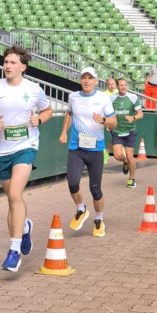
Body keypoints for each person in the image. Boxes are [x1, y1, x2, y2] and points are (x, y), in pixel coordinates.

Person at [0, 45, 52, 272]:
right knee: (12, 199)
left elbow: (47, 110)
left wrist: (40, 119)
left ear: (23, 67)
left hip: (26, 146)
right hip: (2, 150)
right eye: (6, 62)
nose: (7, 66)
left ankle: (13, 251)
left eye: (13, 62)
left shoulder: (34, 89)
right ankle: (24, 227)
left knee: (16, 194)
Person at [59, 67, 116, 237]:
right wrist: (63, 132)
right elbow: (69, 114)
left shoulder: (103, 98)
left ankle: (99, 219)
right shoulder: (73, 97)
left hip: (95, 149)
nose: (86, 80)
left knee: (95, 189)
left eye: (90, 78)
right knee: (72, 183)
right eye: (83, 77)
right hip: (76, 148)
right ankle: (81, 209)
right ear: (80, 80)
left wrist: (103, 120)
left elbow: (114, 122)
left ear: (96, 81)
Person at [110, 76, 143, 188]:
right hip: (117, 130)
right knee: (117, 155)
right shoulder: (112, 98)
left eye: (125, 85)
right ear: (117, 86)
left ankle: (131, 179)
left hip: (130, 130)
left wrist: (133, 117)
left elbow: (140, 114)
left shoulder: (133, 97)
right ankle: (124, 162)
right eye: (121, 85)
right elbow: (108, 113)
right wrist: (108, 124)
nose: (123, 87)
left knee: (130, 155)